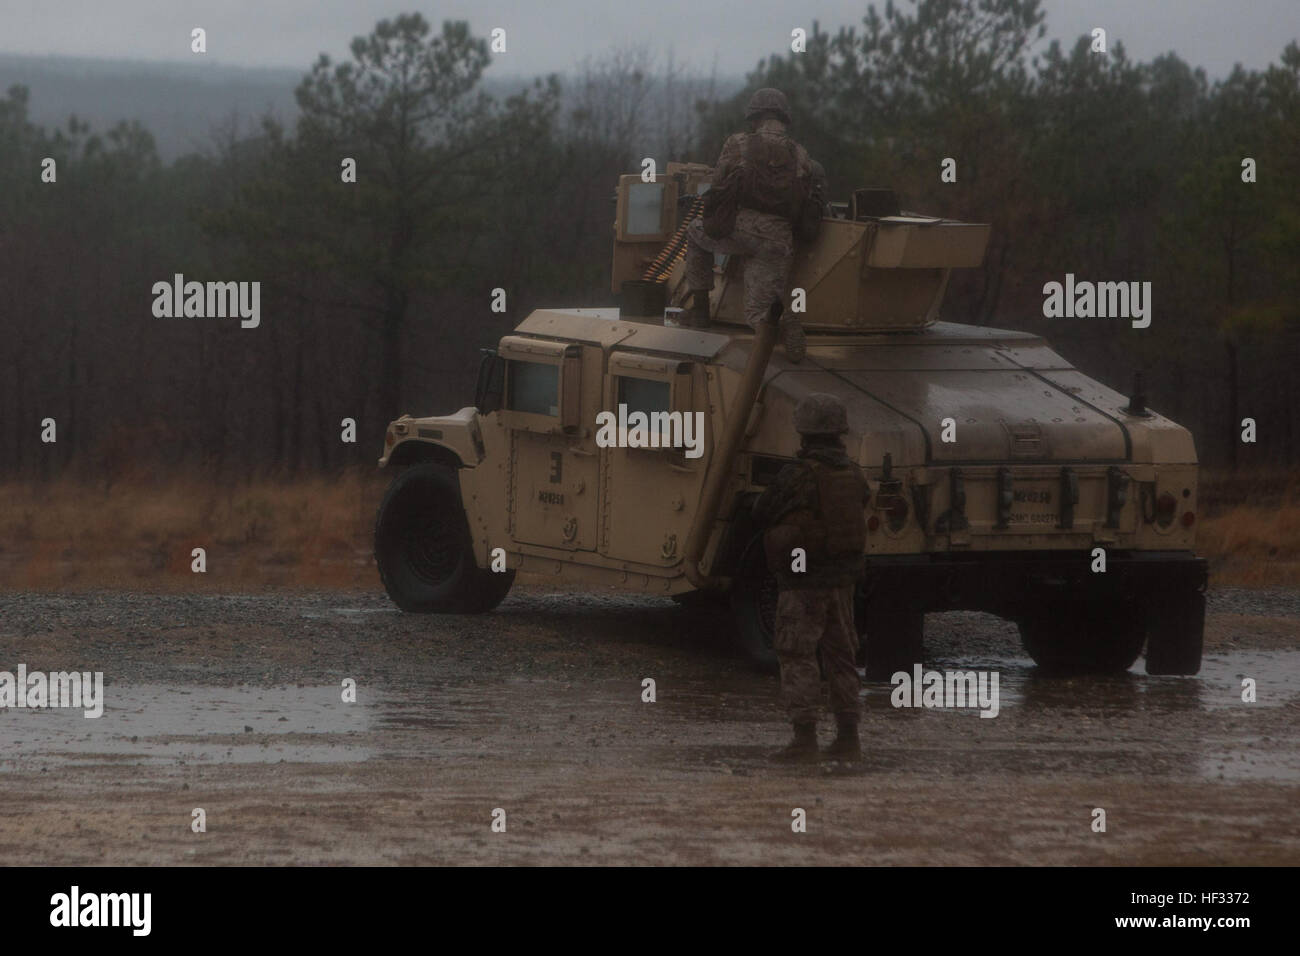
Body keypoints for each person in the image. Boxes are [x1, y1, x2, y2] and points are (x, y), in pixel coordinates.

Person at [751, 393, 870, 761]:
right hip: (843, 581)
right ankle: (848, 738)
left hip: (803, 582)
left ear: (803, 431)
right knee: (842, 656)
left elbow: (762, 510)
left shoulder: (799, 475)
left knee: (798, 654)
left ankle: (804, 739)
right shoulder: (853, 473)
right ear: (839, 431)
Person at [683, 88, 822, 362]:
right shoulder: (801, 155)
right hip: (777, 240)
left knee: (694, 231)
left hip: (741, 229)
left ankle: (700, 310)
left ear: (754, 117)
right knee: (757, 313)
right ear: (784, 119)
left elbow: (719, 184)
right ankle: (787, 322)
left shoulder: (738, 143)